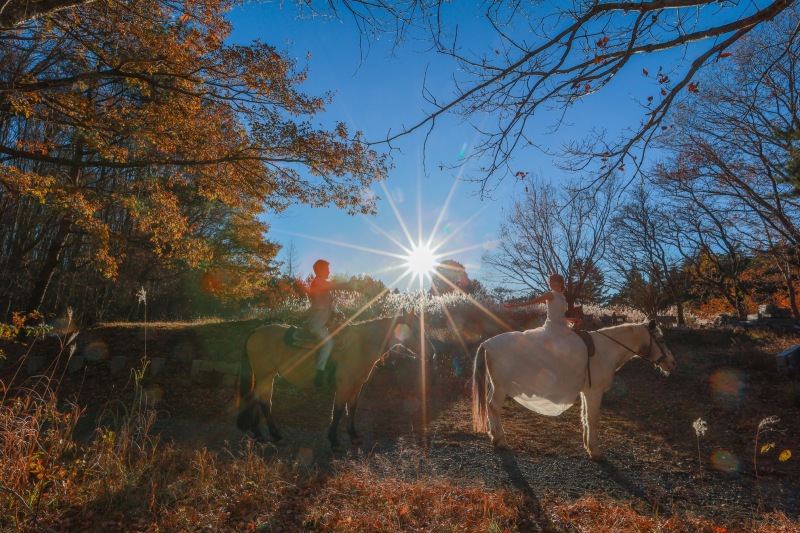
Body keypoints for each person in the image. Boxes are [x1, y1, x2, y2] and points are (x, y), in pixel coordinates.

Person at [307, 259, 357, 387]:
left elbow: (328, 305)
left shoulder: (323, 286)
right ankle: (319, 373)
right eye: (327, 269)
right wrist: (348, 283)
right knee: (328, 343)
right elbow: (332, 286)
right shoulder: (318, 282)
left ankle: (334, 371)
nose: (329, 271)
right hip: (316, 324)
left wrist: (336, 313)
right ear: (320, 270)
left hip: (323, 324)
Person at [504, 273, 578, 333]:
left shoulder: (562, 297)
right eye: (550, 282)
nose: (551, 283)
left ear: (561, 283)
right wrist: (514, 305)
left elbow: (561, 316)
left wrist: (572, 319)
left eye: (553, 281)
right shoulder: (550, 294)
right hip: (552, 327)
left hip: (563, 326)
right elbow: (533, 301)